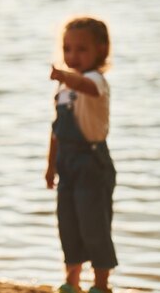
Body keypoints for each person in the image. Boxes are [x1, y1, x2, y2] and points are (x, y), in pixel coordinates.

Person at [45, 17, 117, 293]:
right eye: (67, 48)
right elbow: (56, 130)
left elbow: (87, 88)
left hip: (91, 162)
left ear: (100, 50)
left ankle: (101, 284)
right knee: (68, 223)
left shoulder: (95, 80)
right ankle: (71, 281)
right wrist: (50, 165)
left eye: (81, 49)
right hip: (67, 162)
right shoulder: (63, 88)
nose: (72, 55)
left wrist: (65, 75)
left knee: (94, 224)